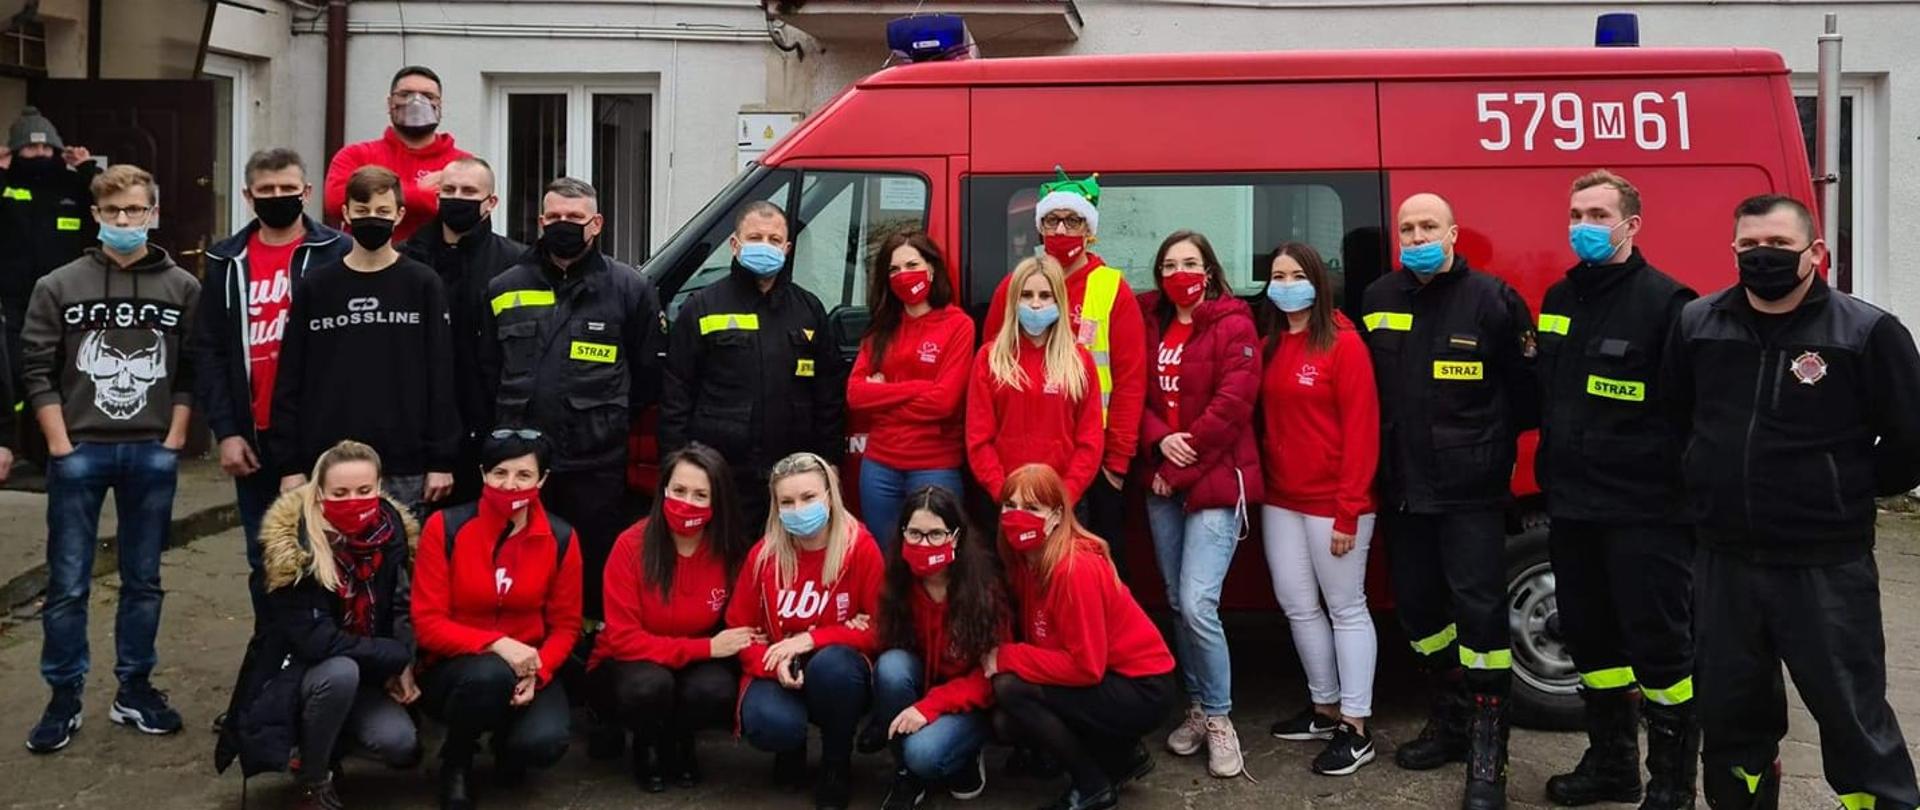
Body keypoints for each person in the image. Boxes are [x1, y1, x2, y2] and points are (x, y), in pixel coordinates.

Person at [1670, 194, 1920, 810]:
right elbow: (1675, 422)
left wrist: (1843, 487)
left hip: (1824, 565)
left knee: (1852, 716)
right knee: (1730, 719)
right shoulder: (1698, 325)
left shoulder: (1867, 332)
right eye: (1749, 246)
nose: (1763, 257)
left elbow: (1913, 439)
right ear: (1733, 251)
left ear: (1816, 252)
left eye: (1778, 245)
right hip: (1723, 562)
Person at [1361, 192, 1535, 809]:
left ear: (1453, 232)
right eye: (1407, 228)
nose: (1416, 236)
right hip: (1404, 490)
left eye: (1428, 226)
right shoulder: (1380, 298)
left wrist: (1481, 451)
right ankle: (1452, 721)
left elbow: (1526, 395)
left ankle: (1490, 759)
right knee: (1420, 614)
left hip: (1469, 494)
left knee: (1481, 621)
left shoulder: (1492, 300)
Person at [1534, 171, 1699, 808]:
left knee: (1662, 650)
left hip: (1646, 513)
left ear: (1632, 225)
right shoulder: (1559, 298)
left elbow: (1690, 414)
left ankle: (1672, 784)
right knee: (1591, 642)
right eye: (1576, 213)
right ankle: (1612, 766)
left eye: (1599, 214)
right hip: (1574, 508)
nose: (1584, 225)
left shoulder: (1669, 304)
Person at [21, 164, 198, 753]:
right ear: (95, 216)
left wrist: (174, 439)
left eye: (136, 210)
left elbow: (192, 372)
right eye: (114, 211)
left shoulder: (183, 288)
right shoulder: (58, 284)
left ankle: (134, 689)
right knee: (68, 583)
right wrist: (58, 443)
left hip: (152, 450)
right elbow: (36, 367)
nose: (125, 221)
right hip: (79, 451)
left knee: (143, 581)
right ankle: (63, 694)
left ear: (154, 213)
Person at [480, 176, 662, 618]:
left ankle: (586, 662)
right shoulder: (504, 287)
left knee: (590, 572)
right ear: (541, 221)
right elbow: (487, 373)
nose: (564, 224)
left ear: (596, 223)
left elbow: (647, 378)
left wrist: (607, 419)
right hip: (521, 466)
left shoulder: (629, 288)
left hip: (595, 464)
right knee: (520, 569)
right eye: (555, 217)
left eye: (574, 218)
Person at [214, 441, 422, 809]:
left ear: (380, 487)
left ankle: (331, 741)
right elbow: (316, 642)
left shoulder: (392, 533)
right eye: (340, 492)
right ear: (319, 493)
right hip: (300, 674)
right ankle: (313, 776)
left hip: (368, 669)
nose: (353, 500)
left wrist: (404, 663)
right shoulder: (295, 547)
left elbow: (403, 606)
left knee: (400, 744)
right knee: (339, 673)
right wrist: (391, 655)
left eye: (364, 490)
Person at [195, 147, 352, 620]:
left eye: (288, 189)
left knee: (334, 556)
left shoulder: (337, 253)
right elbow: (209, 350)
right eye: (267, 191)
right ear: (248, 196)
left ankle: (331, 665)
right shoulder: (225, 261)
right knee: (267, 560)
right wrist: (226, 431)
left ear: (306, 192)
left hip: (323, 434)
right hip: (254, 436)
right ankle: (272, 664)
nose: (279, 197)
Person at [1135, 230, 1259, 778]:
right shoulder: (1147, 320)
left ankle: (1220, 719)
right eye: (1169, 264)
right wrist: (1160, 441)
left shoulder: (1234, 324)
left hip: (1213, 477)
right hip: (1164, 475)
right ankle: (1197, 705)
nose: (1180, 272)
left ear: (1209, 269)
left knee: (1197, 603)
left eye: (1190, 262)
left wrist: (1177, 466)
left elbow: (1234, 405)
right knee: (1175, 599)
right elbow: (1129, 390)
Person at [980, 168, 1145, 578]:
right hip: (1018, 471)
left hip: (1092, 464)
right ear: (1039, 226)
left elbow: (1130, 380)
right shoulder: (1014, 287)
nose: (1062, 229)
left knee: (1088, 574)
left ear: (1089, 229)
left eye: (1073, 221)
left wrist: (1116, 463)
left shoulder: (1111, 288)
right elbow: (990, 362)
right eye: (1052, 220)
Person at [1256, 241, 1382, 777]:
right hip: (1282, 499)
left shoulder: (1344, 343)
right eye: (1277, 275)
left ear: (1317, 280)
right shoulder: (1271, 343)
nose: (1285, 284)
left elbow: (1362, 430)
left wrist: (1349, 510)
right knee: (1298, 605)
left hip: (1335, 501)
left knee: (1346, 607)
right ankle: (1324, 707)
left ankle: (1356, 727)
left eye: (1295, 274)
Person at [268, 164, 458, 515]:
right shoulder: (317, 287)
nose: (373, 218)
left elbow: (441, 376)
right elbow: (291, 376)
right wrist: (289, 463)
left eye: (383, 211)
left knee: (401, 566)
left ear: (400, 214)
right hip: (327, 464)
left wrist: (441, 459)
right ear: (345, 214)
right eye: (363, 211)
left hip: (405, 464)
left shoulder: (423, 284)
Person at [987, 463, 1175, 810]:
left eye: (1031, 508)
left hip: (1142, 687)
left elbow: (1086, 668)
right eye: (1009, 506)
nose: (1016, 516)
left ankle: (1091, 785)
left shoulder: (1073, 570)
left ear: (1057, 516)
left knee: (1010, 689)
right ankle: (1120, 755)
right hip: (1113, 678)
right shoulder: (1025, 560)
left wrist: (1005, 657)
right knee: (1005, 719)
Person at [412, 430, 583, 810]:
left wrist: (538, 673)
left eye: (524, 475)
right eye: (499, 473)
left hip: (531, 666)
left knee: (545, 744)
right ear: (482, 474)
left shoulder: (561, 537)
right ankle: (456, 761)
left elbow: (567, 625)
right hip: (455, 669)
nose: (510, 484)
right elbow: (427, 622)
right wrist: (496, 644)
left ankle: (509, 744)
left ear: (543, 480)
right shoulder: (446, 527)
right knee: (489, 674)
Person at [660, 201, 844, 527]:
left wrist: (828, 464)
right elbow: (677, 393)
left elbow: (828, 396)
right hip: (722, 474)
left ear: (787, 249)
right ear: (735, 244)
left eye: (774, 240)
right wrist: (679, 466)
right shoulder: (702, 307)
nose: (765, 246)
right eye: (755, 237)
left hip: (791, 477)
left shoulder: (808, 309)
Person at [725, 452, 885, 810]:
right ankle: (790, 749)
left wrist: (813, 638)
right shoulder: (764, 555)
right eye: (787, 501)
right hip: (778, 668)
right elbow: (739, 628)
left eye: (808, 497)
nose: (798, 508)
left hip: (835, 672)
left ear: (830, 495)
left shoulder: (860, 547)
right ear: (776, 506)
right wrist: (772, 665)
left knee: (834, 667)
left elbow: (882, 628)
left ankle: (835, 764)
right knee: (768, 721)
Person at [591, 442, 753, 793]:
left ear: (717, 501)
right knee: (649, 686)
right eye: (678, 490)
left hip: (691, 659)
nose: (687, 502)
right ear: (662, 490)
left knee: (716, 689)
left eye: (700, 495)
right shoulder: (630, 545)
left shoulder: (730, 550)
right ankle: (646, 744)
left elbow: (744, 620)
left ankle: (680, 739)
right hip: (629, 662)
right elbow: (623, 640)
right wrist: (706, 648)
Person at [401, 156, 526, 504]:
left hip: (488, 428)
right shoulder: (406, 258)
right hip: (418, 430)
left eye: (469, 191)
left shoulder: (517, 264)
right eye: (449, 190)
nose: (457, 197)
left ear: (491, 203)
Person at [873, 485, 1006, 809]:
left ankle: (964, 752)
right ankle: (905, 774)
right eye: (914, 533)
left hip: (970, 701)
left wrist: (931, 706)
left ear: (956, 537)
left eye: (936, 534)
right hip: (921, 692)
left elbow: (993, 674)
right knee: (891, 667)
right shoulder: (897, 584)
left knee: (925, 755)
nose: (923, 544)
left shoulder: (983, 589)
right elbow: (877, 638)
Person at [848, 232, 973, 554]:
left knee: (934, 559)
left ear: (931, 269)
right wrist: (920, 388)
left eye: (912, 264)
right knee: (886, 560)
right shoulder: (881, 328)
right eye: (894, 269)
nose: (904, 275)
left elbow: (944, 402)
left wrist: (884, 392)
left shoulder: (958, 325)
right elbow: (856, 395)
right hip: (879, 467)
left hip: (935, 466)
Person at [966, 255, 1103, 502]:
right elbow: (979, 440)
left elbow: (1090, 442)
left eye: (1045, 295)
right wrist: (1005, 495)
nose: (1036, 304)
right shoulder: (990, 359)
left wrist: (1065, 495)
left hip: (1062, 501)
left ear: (1059, 300)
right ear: (1013, 301)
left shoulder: (1079, 361)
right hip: (1006, 501)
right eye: (1026, 295)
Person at [0, 106, 95, 458]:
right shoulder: (7, 185)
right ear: (15, 151)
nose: (39, 154)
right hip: (12, 302)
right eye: (30, 148)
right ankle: (11, 448)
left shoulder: (71, 186)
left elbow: (111, 200)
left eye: (46, 148)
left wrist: (87, 169)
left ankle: (50, 452)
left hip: (64, 301)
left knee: (61, 374)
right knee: (13, 374)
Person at [325, 65, 472, 243]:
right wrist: (422, 194)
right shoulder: (355, 155)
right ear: (390, 103)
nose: (417, 102)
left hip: (440, 267)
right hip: (369, 265)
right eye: (405, 95)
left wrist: (377, 193)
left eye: (428, 96)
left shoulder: (463, 163)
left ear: (439, 105)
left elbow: (469, 213)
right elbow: (335, 202)